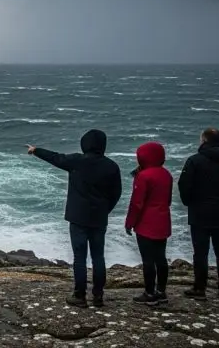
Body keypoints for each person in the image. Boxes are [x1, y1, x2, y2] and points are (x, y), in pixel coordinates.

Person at [27, 129, 122, 308]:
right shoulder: (111, 166)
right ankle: (98, 296)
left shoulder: (77, 161)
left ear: (84, 144)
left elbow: (56, 158)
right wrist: (105, 210)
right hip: (99, 218)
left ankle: (80, 296)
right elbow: (116, 193)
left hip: (78, 218)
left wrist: (36, 150)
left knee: (80, 257)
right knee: (98, 257)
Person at [177, 128, 219, 301]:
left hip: (199, 213)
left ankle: (200, 288)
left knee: (200, 253)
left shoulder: (194, 161)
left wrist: (189, 202)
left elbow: (184, 185)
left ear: (204, 140)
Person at [125, 142, 173, 305]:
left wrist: (129, 223)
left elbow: (137, 203)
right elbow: (168, 200)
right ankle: (161, 291)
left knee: (148, 260)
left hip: (146, 223)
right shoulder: (166, 174)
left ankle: (150, 293)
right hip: (163, 221)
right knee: (161, 258)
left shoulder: (143, 176)